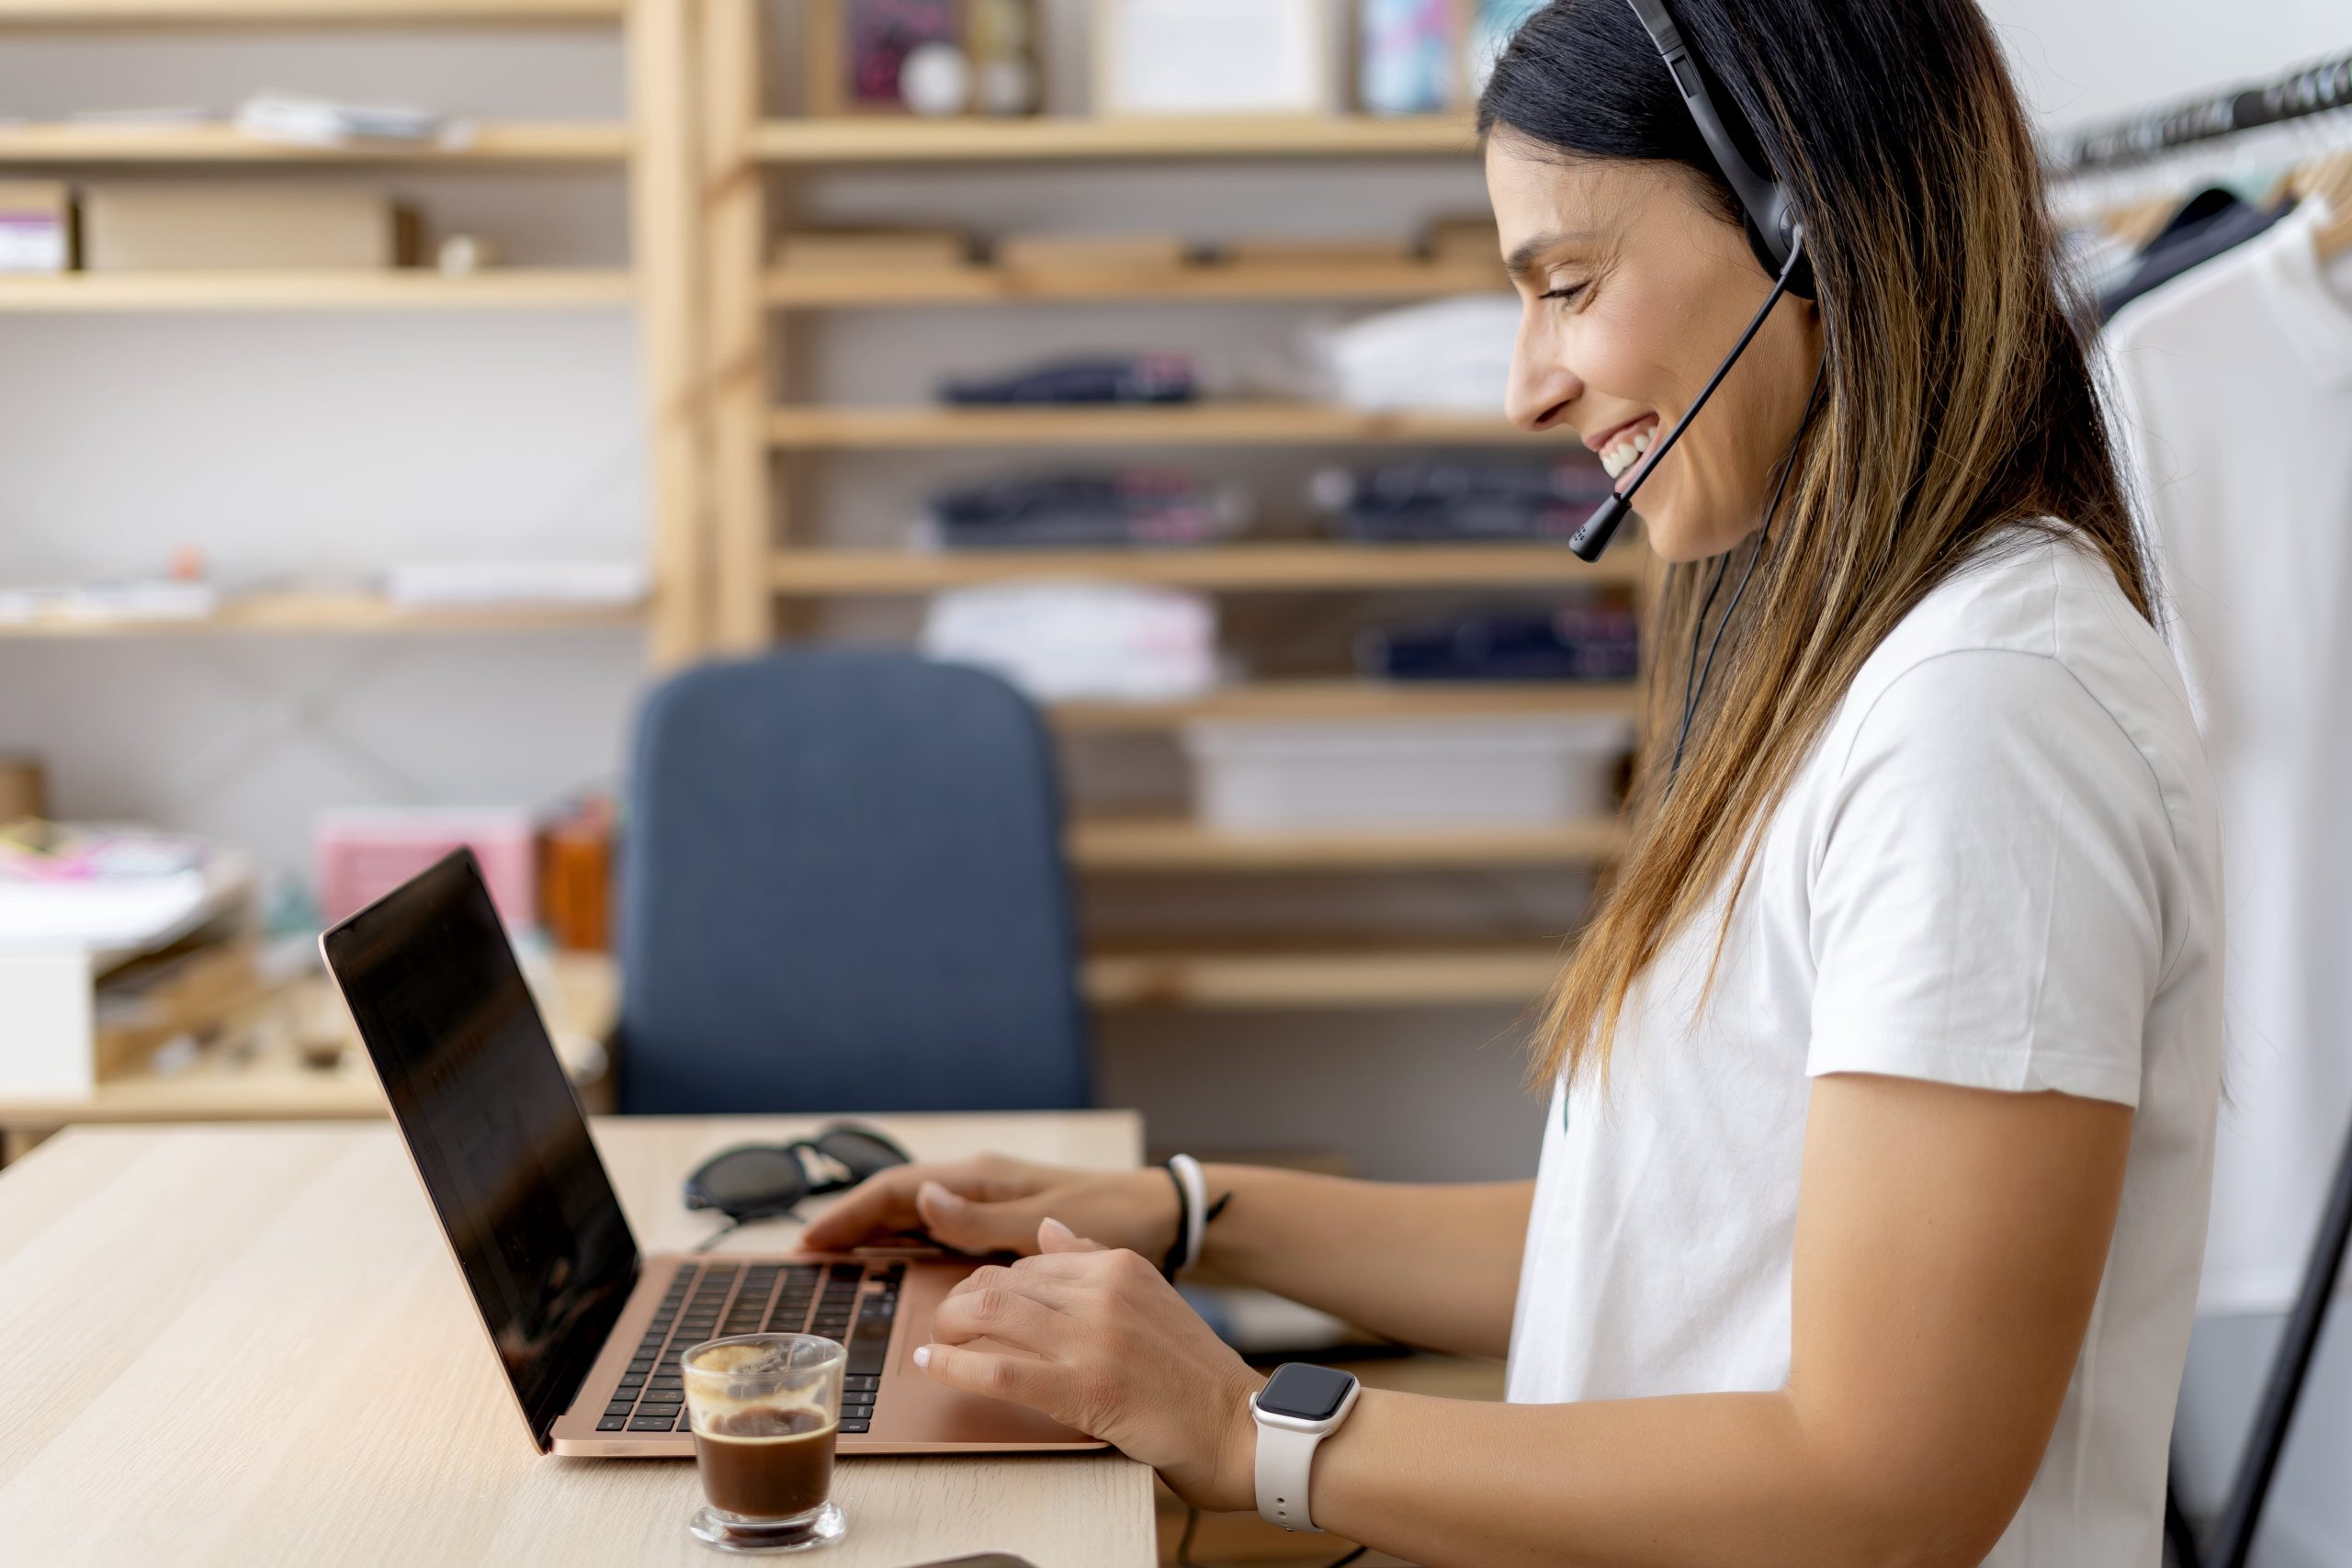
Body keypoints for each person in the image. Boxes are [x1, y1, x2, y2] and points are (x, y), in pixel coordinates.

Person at [804, 1, 2224, 1561]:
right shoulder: (1863, 663)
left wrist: (1241, 1429)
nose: (1526, 387)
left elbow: (1882, 1495)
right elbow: (1677, 1248)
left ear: (1804, 220)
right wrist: (1192, 1208)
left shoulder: (1988, 719)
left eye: (1567, 284)